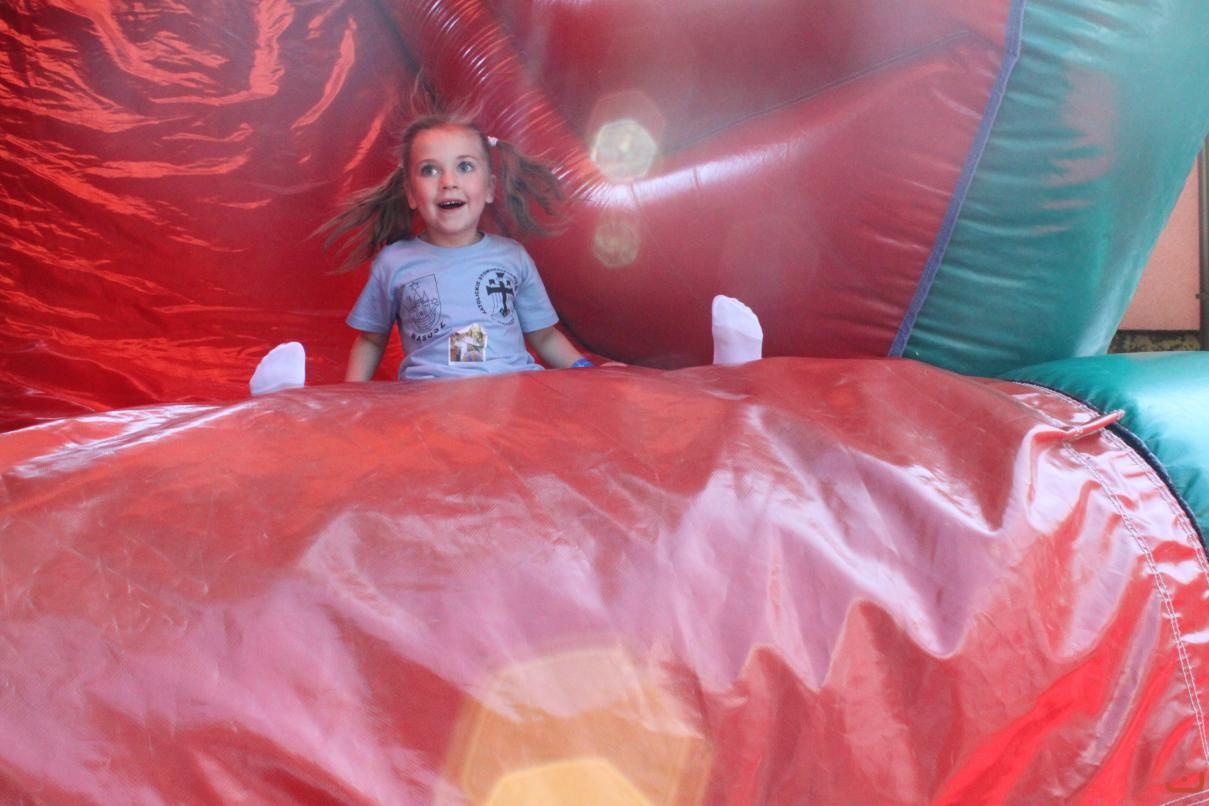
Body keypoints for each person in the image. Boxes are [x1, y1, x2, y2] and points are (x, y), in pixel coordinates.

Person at [321, 104, 594, 382]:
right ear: (411, 194)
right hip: (432, 397)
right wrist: (352, 395)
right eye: (429, 170)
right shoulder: (394, 263)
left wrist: (584, 369)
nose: (448, 182)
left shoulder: (512, 257)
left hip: (512, 392)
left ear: (489, 189)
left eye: (464, 166)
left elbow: (545, 336)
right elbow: (371, 340)